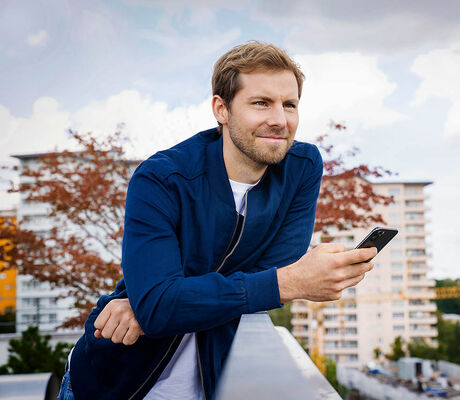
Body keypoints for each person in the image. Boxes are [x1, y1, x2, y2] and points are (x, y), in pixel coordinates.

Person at [58, 41, 376, 400]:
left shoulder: (301, 167)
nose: (279, 119)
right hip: (113, 384)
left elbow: (274, 266)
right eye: (261, 103)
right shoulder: (160, 179)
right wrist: (289, 283)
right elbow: (274, 278)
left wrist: (157, 304)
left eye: (289, 104)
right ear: (221, 109)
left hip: (212, 384)